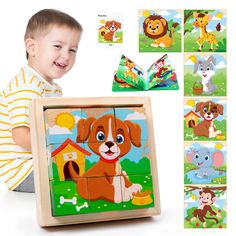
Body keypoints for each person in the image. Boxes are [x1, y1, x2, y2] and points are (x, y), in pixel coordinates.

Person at [0, 9, 83, 192]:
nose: (66, 55)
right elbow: (21, 136)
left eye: (72, 50)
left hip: (40, 162)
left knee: (88, 162)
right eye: (57, 46)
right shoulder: (27, 86)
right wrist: (58, 146)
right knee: (81, 177)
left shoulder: (51, 87)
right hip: (24, 170)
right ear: (32, 48)